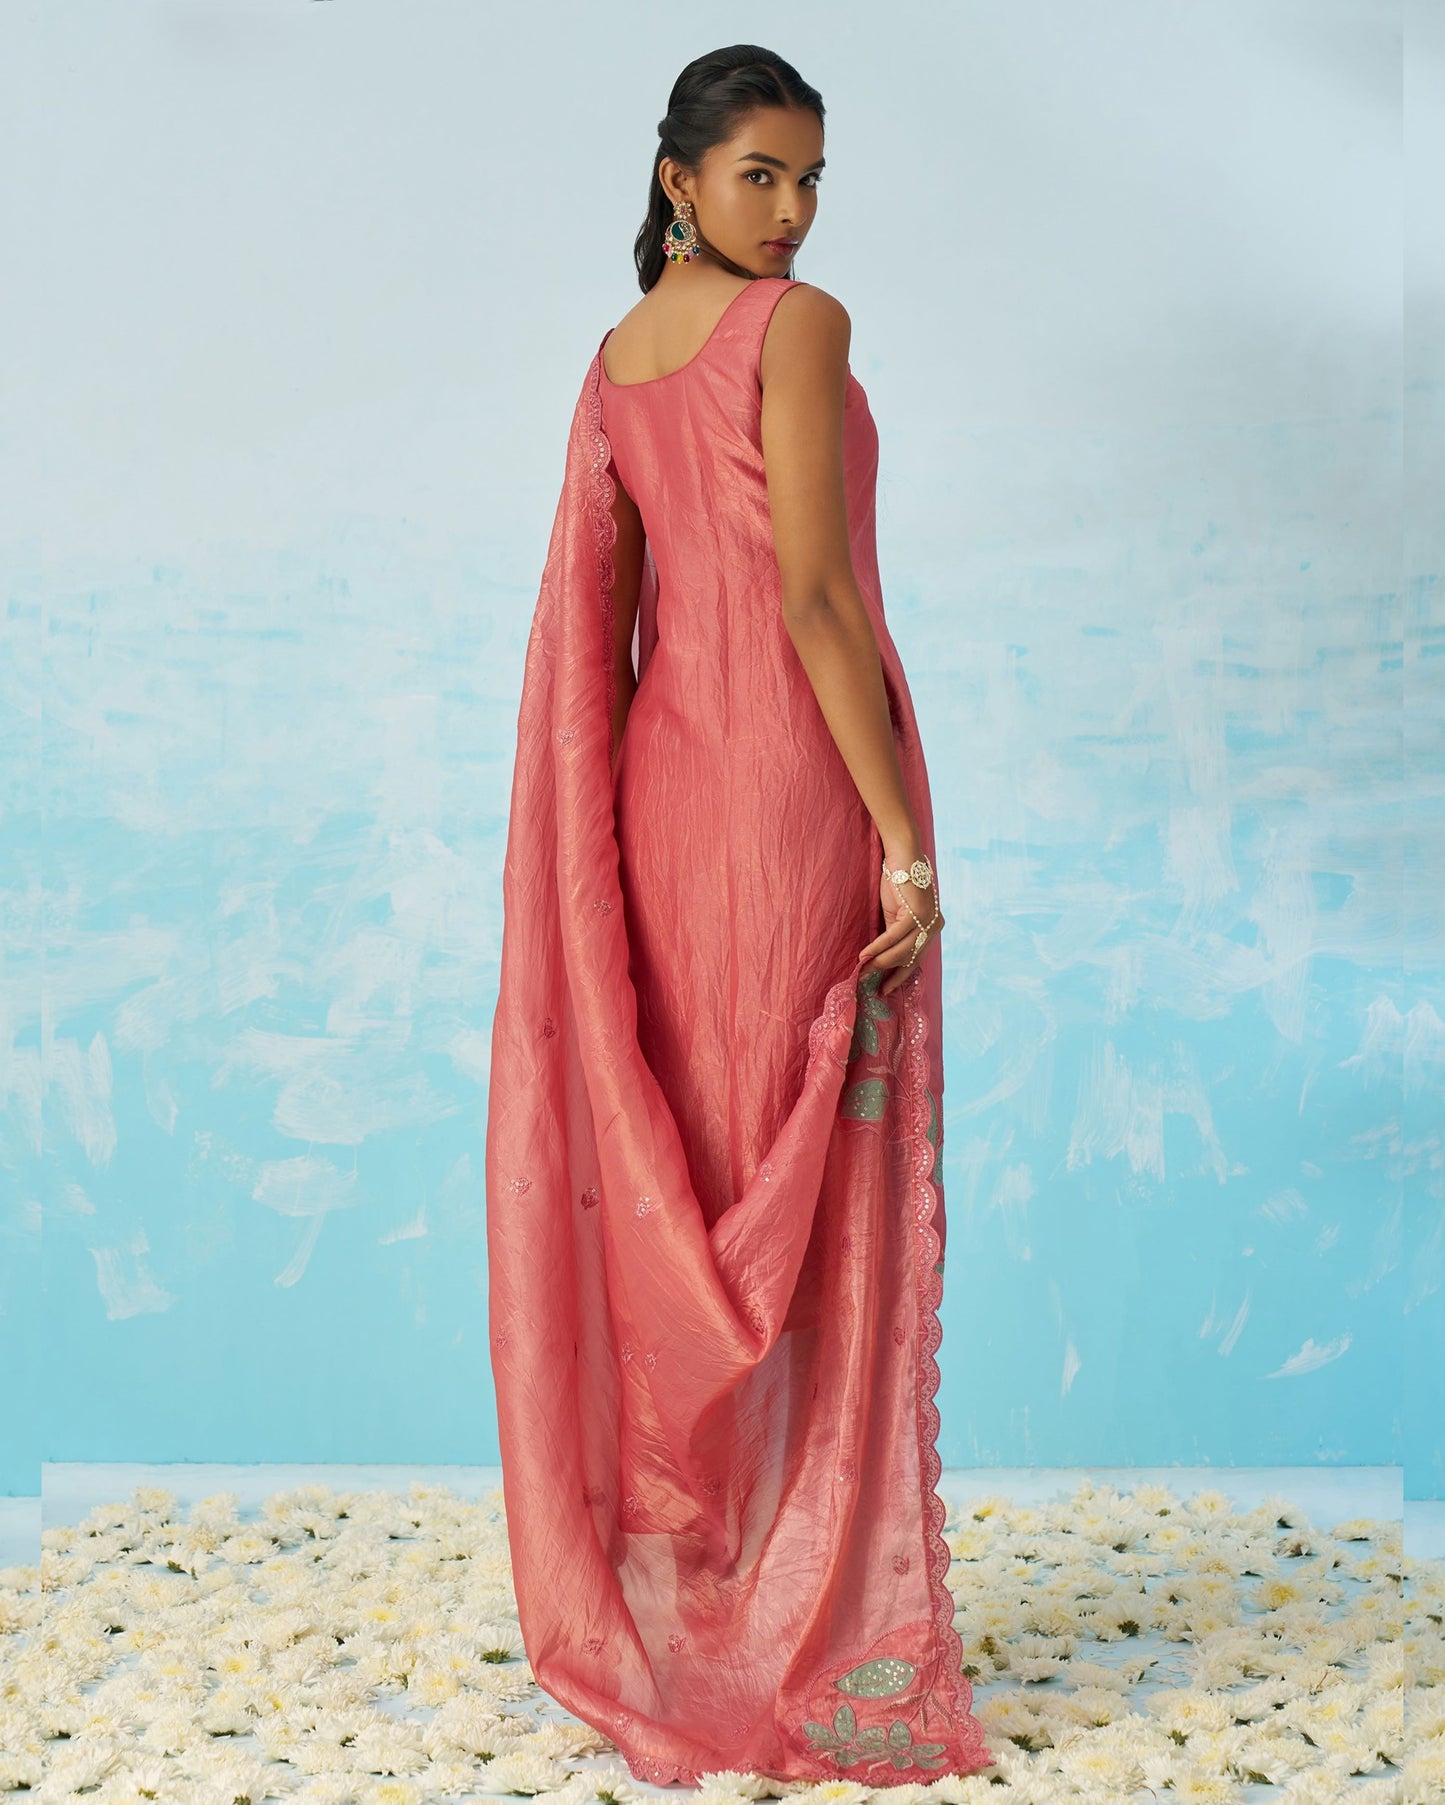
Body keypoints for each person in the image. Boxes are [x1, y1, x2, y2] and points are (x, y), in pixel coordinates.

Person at [485, 44, 994, 1788]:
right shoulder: (798, 330)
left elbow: (610, 620)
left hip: (654, 792)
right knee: (803, 1185)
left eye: (808, 183)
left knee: (697, 1176)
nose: (787, 214)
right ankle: (796, 1624)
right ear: (678, 176)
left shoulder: (616, 358)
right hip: (780, 785)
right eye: (759, 175)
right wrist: (903, 840)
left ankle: (696, 1605)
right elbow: (817, 598)